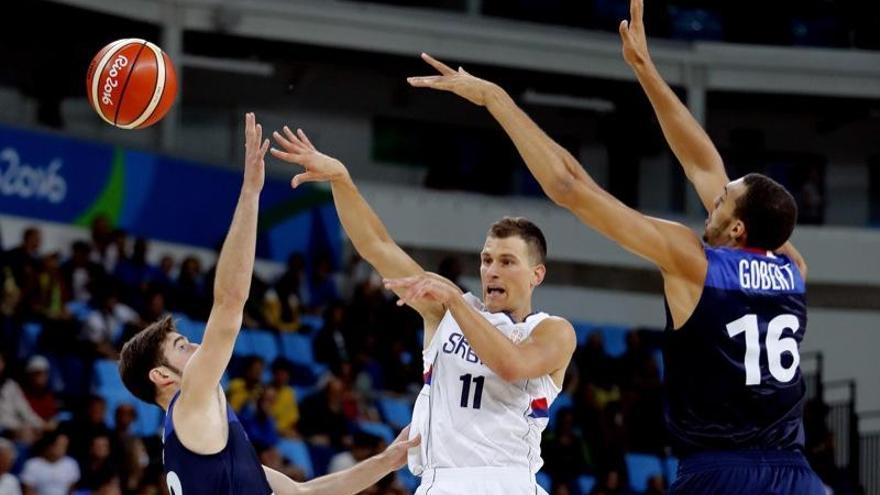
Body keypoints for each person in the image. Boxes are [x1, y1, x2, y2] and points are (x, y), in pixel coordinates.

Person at [405, 0, 823, 491]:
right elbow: (704, 165)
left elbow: (570, 186)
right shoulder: (793, 269)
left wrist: (497, 101)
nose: (714, 196)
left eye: (724, 200)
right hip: (796, 475)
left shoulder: (693, 261)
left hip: (722, 472)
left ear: (737, 229)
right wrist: (645, 70)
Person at [118, 113, 418, 495]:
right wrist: (250, 193)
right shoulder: (190, 404)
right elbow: (229, 303)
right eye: (180, 346)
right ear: (161, 377)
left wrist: (389, 459)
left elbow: (304, 493)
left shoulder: (212, 443)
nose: (195, 344)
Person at [270, 124, 576, 495]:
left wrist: (453, 303)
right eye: (486, 259)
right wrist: (342, 181)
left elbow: (511, 365)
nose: (492, 270)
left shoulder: (551, 331)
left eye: (508, 261)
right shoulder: (447, 309)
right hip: (441, 480)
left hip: (506, 481)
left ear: (536, 274)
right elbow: (377, 246)